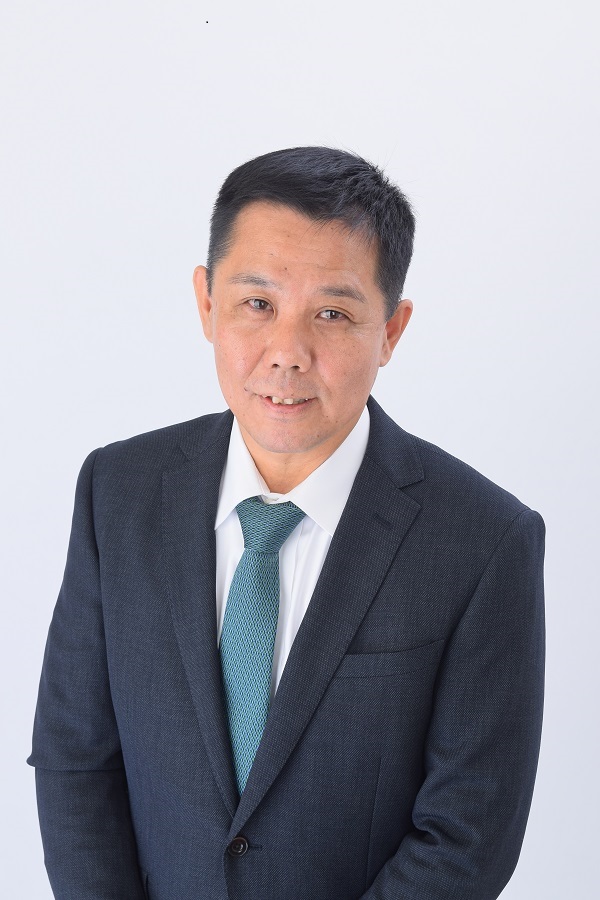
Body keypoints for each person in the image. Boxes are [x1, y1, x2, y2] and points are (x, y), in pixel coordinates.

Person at [28, 146, 546, 900]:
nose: (287, 354)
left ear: (391, 330)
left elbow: (468, 836)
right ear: (207, 303)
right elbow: (76, 758)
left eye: (332, 314)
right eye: (258, 304)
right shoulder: (119, 491)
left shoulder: (484, 540)